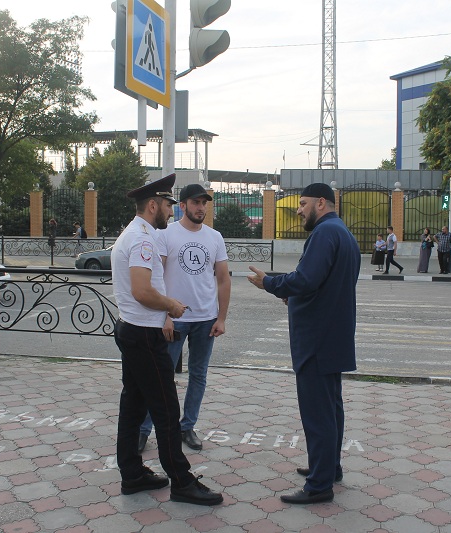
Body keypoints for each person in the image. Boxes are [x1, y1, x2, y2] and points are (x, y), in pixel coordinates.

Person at [111, 173, 223, 506]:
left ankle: (132, 474)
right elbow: (142, 291)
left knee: (133, 405)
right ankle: (182, 481)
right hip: (145, 334)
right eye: (168, 205)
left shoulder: (135, 233)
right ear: (152, 205)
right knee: (166, 410)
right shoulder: (143, 239)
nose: (172, 211)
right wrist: (171, 306)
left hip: (132, 329)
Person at [247, 183, 360, 505]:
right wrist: (292, 295)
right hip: (333, 335)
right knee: (331, 408)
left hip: (317, 338)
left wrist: (270, 283)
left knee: (317, 413)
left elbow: (307, 279)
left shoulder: (324, 233)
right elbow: (324, 284)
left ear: (320, 202)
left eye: (302, 203)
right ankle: (329, 467)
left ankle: (319, 486)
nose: (298, 210)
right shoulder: (342, 233)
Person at [138, 183, 231, 453]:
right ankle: (144, 430)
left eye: (204, 203)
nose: (201, 208)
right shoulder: (166, 235)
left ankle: (187, 426)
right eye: (195, 202)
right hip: (174, 318)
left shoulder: (215, 237)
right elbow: (155, 277)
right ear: (183, 205)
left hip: (206, 319)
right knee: (161, 377)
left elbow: (223, 280)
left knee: (198, 375)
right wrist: (165, 315)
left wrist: (221, 318)